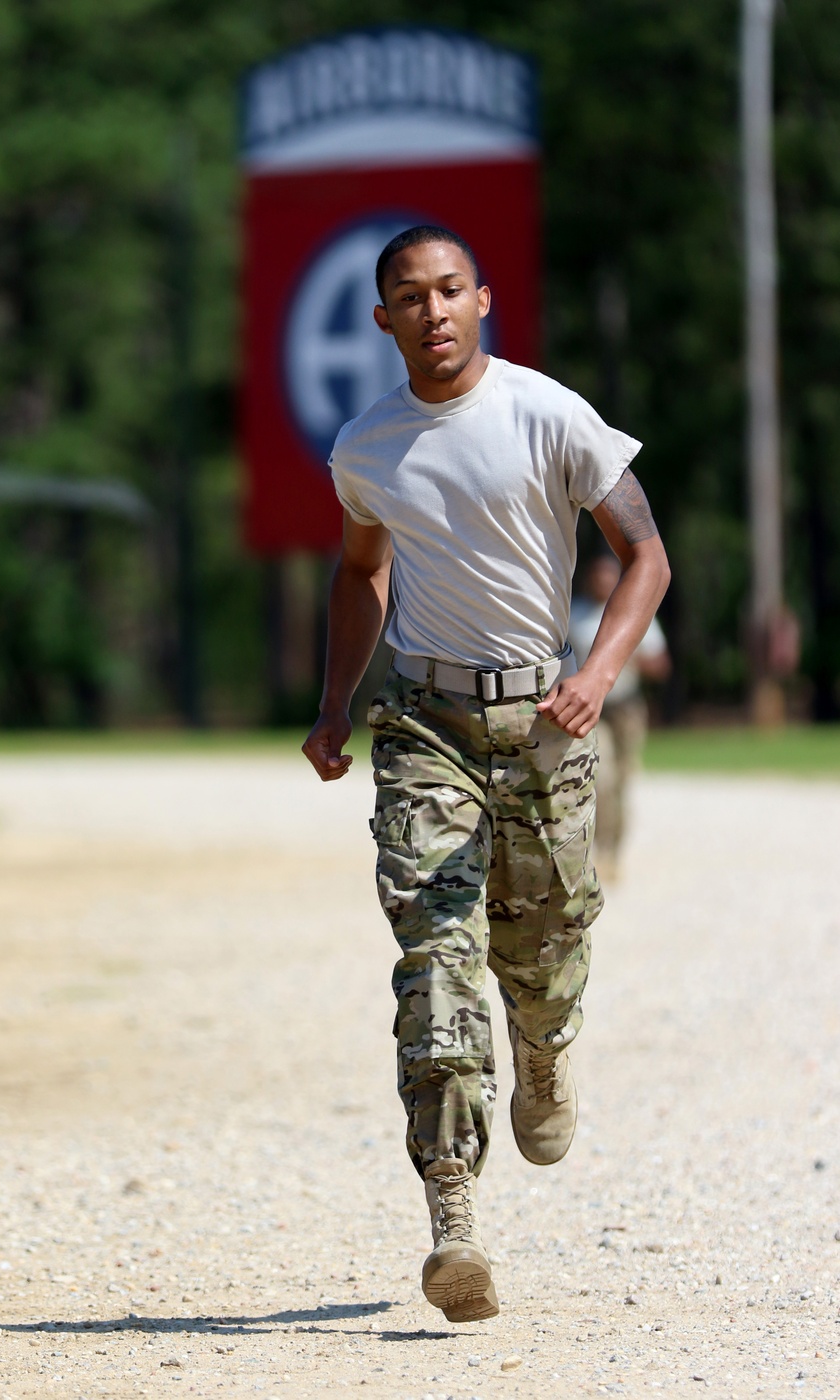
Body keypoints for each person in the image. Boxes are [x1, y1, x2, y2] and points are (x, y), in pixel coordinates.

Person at [302, 225, 670, 1325]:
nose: (433, 310)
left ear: (483, 299)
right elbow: (360, 574)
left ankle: (545, 1051)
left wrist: (597, 672)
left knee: (544, 948)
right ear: (383, 320)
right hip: (427, 723)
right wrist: (334, 705)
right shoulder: (366, 448)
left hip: (545, 721)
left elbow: (645, 552)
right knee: (435, 956)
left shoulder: (547, 413)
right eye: (409, 296)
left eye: (450, 289)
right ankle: (452, 1211)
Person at [569, 553, 671, 879]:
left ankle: (615, 849)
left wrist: (631, 657)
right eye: (596, 576)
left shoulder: (633, 614)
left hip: (626, 706)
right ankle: (598, 849)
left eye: (607, 576)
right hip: (591, 709)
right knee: (602, 778)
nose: (601, 582)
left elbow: (661, 664)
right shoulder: (576, 616)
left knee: (623, 782)